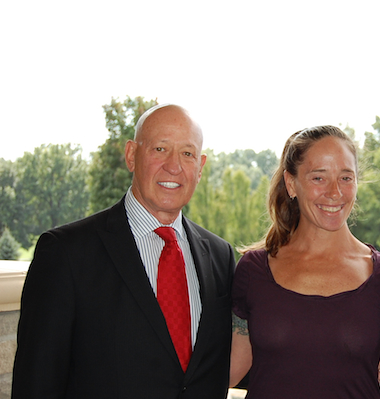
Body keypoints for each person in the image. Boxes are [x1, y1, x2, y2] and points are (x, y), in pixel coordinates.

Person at [12, 104, 236, 399]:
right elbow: (36, 382)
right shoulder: (66, 253)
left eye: (187, 153)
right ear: (131, 155)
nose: (174, 166)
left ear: (200, 167)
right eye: (159, 149)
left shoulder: (220, 256)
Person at [229, 125, 380, 398]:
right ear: (291, 183)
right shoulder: (253, 270)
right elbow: (230, 368)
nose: (334, 192)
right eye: (319, 178)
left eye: (346, 177)